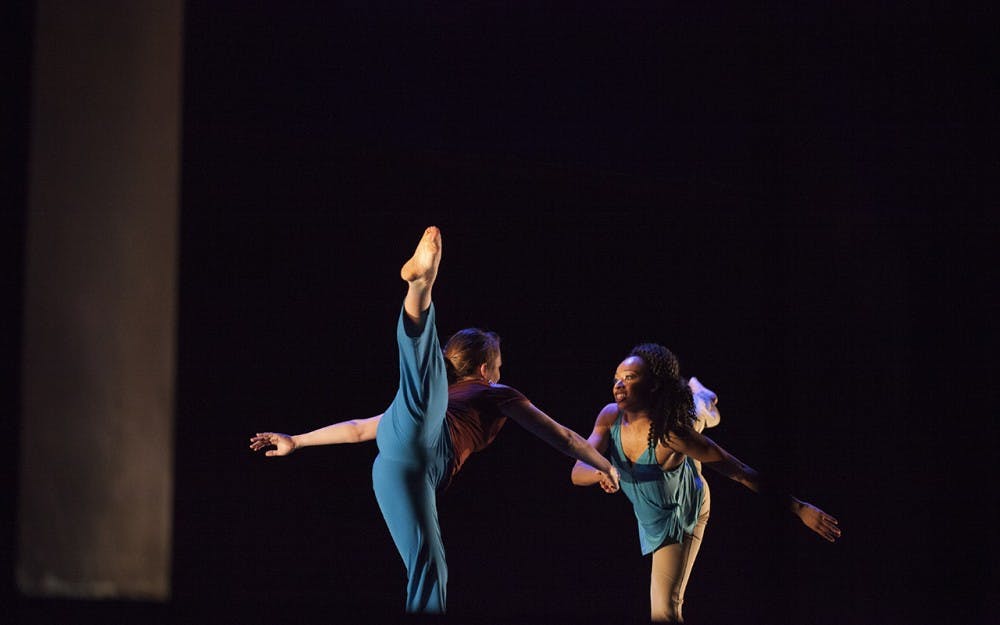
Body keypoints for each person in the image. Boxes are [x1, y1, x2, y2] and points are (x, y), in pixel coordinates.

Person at [249, 226, 620, 615]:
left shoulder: (447, 396)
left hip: (396, 465)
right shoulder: (494, 391)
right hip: (426, 448)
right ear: (485, 369)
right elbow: (562, 437)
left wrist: (298, 441)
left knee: (431, 569)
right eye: (498, 366)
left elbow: (359, 429)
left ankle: (419, 292)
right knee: (424, 388)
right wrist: (606, 463)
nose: (499, 372)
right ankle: (420, 288)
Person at [571, 343, 840, 622]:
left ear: (653, 385)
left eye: (630, 378)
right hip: (659, 493)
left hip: (681, 510)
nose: (619, 385)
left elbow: (740, 471)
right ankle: (698, 397)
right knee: (692, 420)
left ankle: (701, 400)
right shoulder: (609, 416)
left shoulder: (672, 436)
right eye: (617, 377)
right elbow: (577, 471)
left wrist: (799, 508)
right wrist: (601, 472)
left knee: (664, 610)